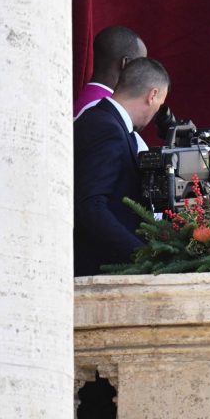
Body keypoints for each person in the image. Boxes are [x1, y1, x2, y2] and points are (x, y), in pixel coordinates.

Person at [74, 57, 170, 276]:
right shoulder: (105, 127)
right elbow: (91, 205)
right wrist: (143, 256)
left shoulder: (104, 121)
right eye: (160, 104)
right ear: (152, 95)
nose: (157, 112)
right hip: (98, 268)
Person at [73, 25, 148, 120]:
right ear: (126, 63)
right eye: (139, 64)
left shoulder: (85, 99)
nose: (142, 72)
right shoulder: (103, 108)